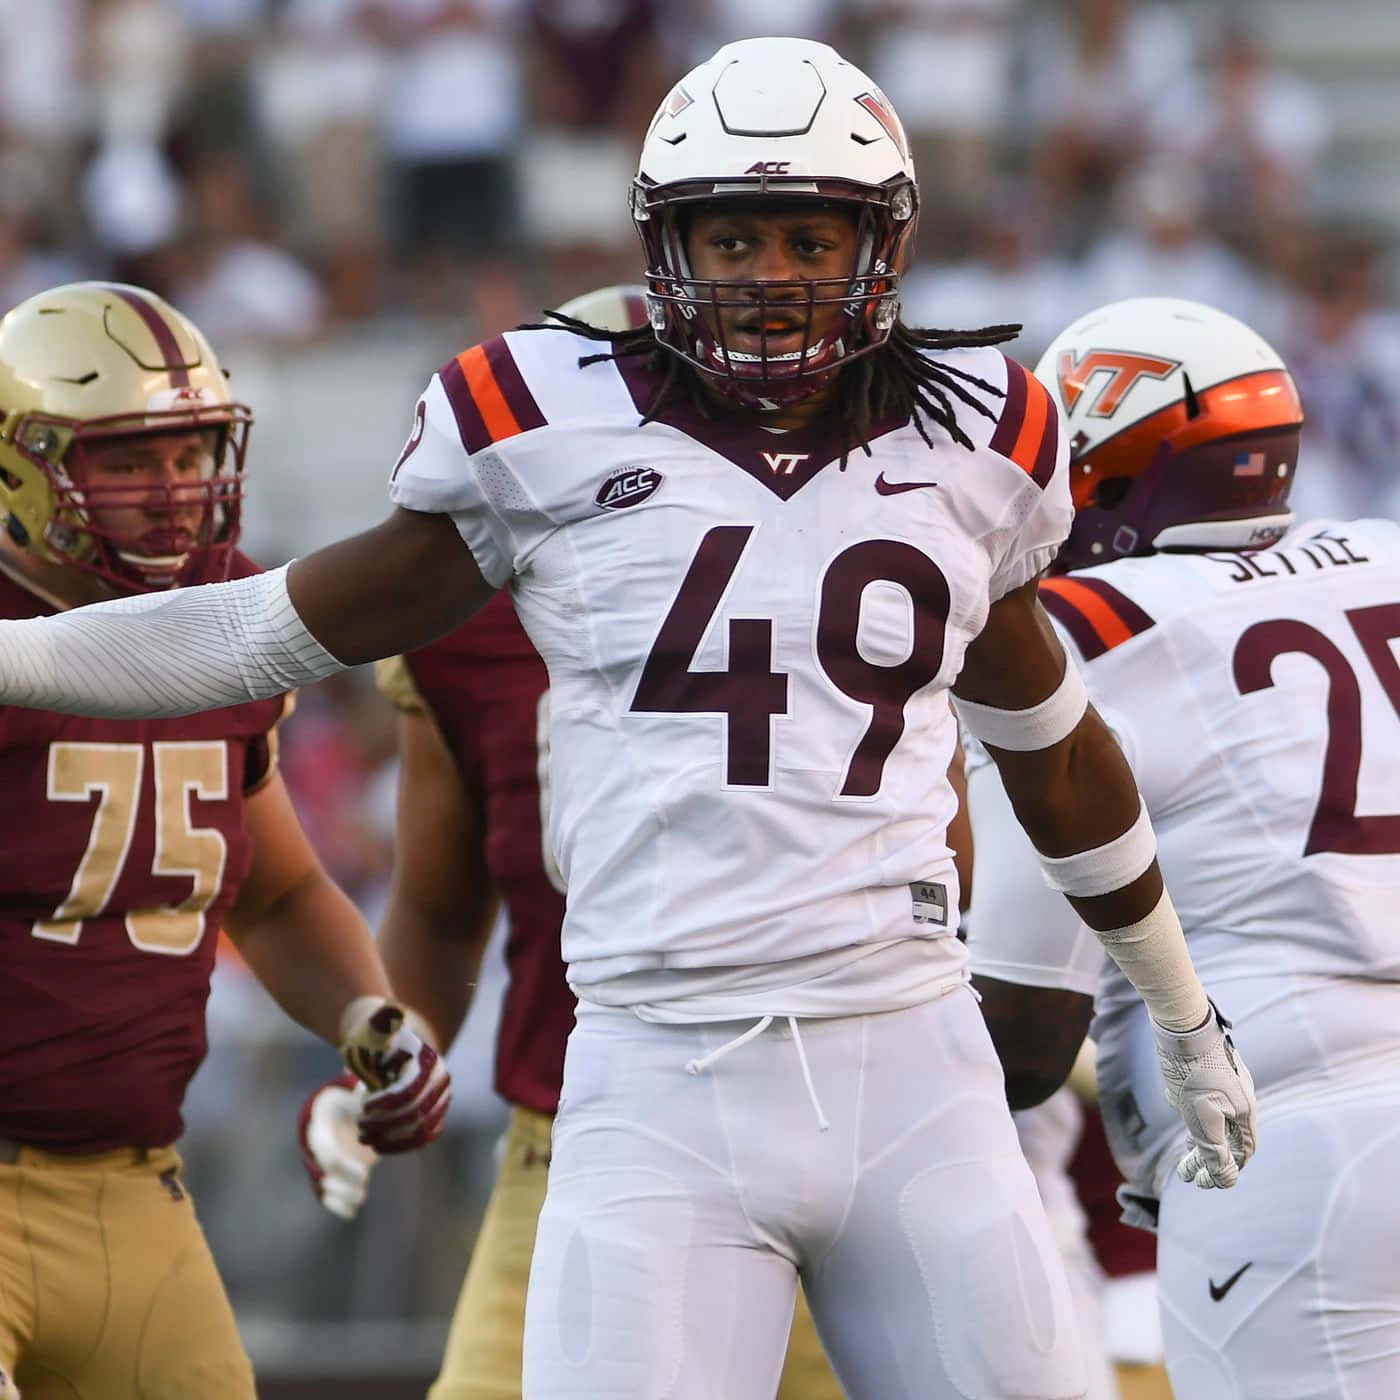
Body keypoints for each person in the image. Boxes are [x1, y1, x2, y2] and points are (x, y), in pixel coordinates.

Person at [0, 42, 1256, 1399]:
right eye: (732, 234)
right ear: (666, 242)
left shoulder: (979, 435)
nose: (770, 272)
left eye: (804, 232)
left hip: (913, 1067)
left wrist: (1185, 1014)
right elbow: (255, 628)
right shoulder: (544, 420)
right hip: (662, 1079)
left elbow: (1057, 751)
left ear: (879, 241)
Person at [299, 284, 842, 1400]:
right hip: (577, 1133)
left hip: (831, 1128)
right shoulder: (461, 621)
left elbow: (946, 869)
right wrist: (382, 1053)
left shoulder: (833, 570)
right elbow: (441, 907)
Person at [0, 281, 449, 1400]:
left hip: (139, 1190)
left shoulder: (222, 618)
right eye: (128, 461)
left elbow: (280, 890)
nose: (173, 494)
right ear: (21, 466)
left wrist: (367, 1013)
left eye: (191, 452)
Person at [969, 294, 1400, 1397]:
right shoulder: (1380, 554)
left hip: (1284, 1140)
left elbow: (1020, 1033)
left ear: (1102, 474)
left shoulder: (1083, 629)